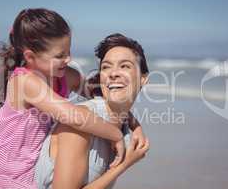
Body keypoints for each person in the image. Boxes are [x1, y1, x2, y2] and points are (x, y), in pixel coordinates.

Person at [0, 8, 132, 188]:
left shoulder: (66, 76)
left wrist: (133, 124)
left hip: (30, 168)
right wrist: (116, 135)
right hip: (1, 175)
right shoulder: (25, 82)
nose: (68, 59)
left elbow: (102, 94)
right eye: (59, 55)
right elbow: (74, 116)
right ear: (30, 57)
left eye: (68, 51)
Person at [35, 33, 150, 189]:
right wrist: (123, 165)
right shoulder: (80, 123)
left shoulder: (123, 125)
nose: (113, 73)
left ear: (143, 79)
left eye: (124, 66)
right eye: (106, 67)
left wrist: (136, 127)